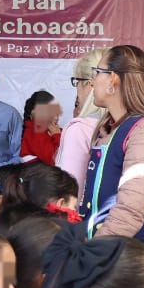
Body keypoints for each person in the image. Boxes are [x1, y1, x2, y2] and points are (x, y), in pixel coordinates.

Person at [80, 45, 144, 280]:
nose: (92, 81)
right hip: (107, 262)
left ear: (113, 78)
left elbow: (129, 213)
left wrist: (86, 256)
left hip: (134, 271)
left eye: (97, 72)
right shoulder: (108, 128)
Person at [56, 48, 108, 198]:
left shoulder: (79, 130)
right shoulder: (127, 125)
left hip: (84, 219)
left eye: (77, 81)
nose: (77, 88)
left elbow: (70, 195)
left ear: (91, 84)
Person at [20, 90, 63, 166]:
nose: (56, 118)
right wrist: (57, 135)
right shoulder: (35, 132)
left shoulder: (46, 130)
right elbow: (52, 159)